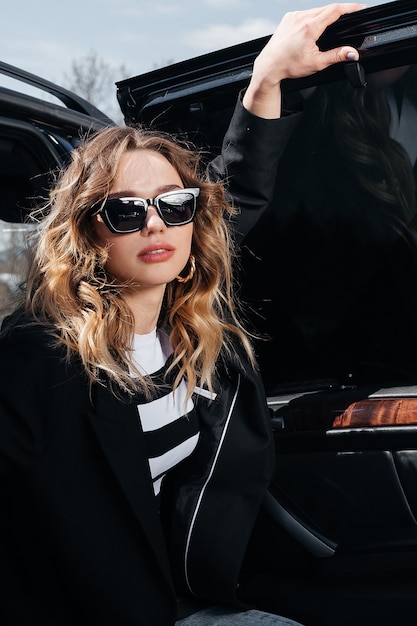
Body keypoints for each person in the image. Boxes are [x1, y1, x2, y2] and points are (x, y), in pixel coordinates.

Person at [0, 4, 364, 625]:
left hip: (195, 595)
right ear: (87, 235)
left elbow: (240, 186)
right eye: (123, 212)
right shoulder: (35, 356)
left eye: (175, 204)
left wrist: (266, 80)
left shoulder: (189, 313)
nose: (155, 224)